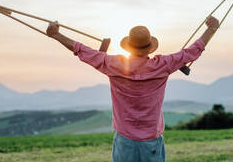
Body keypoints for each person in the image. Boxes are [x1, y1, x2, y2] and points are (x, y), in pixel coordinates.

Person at [46, 16, 219, 162]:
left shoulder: (113, 65)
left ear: (128, 45)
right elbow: (192, 51)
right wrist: (212, 28)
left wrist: (56, 35)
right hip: (151, 142)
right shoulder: (163, 65)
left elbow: (81, 50)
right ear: (149, 46)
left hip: (124, 142)